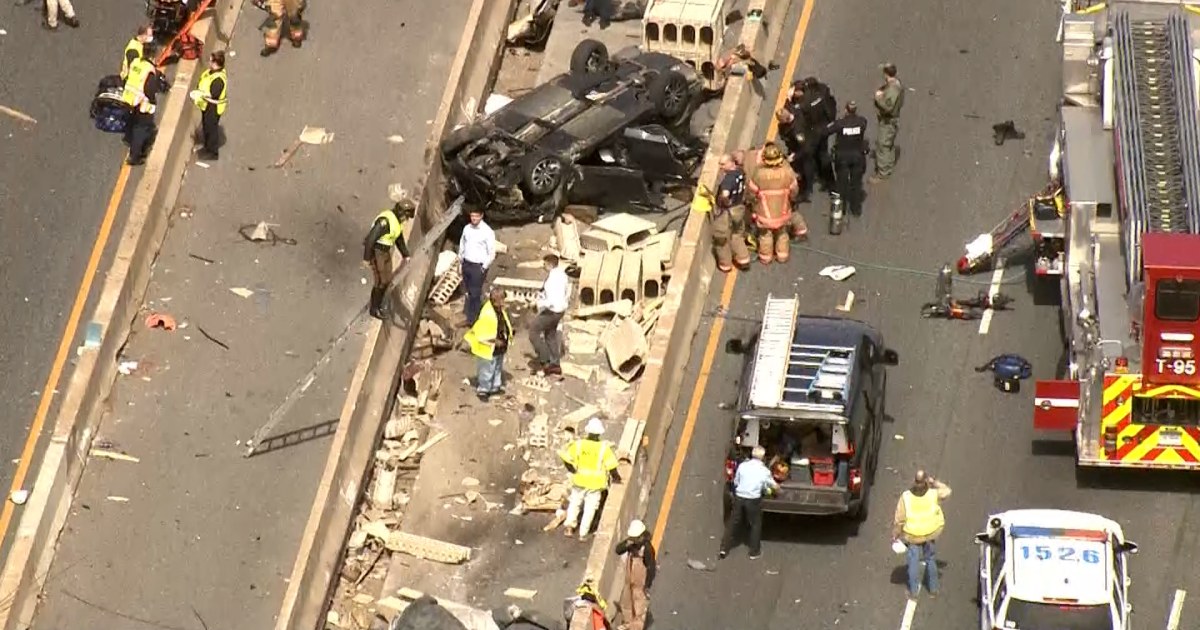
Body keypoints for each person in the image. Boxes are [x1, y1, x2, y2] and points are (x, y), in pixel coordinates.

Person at [892, 470, 951, 599]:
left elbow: (899, 519)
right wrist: (934, 482)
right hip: (930, 534)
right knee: (930, 559)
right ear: (925, 481)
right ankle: (933, 589)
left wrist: (896, 533)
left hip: (912, 536)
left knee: (913, 562)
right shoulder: (933, 494)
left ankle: (913, 592)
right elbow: (947, 491)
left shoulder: (906, 497)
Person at [558, 417, 620, 540]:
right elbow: (612, 466)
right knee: (589, 509)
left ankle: (569, 528)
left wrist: (572, 470)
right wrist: (617, 478)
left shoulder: (579, 445)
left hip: (579, 481)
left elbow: (567, 459)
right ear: (599, 434)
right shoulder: (603, 449)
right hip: (595, 486)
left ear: (588, 432)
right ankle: (583, 534)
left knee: (574, 504)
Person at [745, 142, 804, 265]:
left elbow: (751, 192)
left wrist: (752, 202)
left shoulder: (759, 174)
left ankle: (766, 257)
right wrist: (791, 199)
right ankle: (782, 255)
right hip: (783, 210)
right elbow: (794, 190)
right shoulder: (787, 172)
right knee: (782, 234)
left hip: (764, 213)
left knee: (765, 235)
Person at [720, 445, 778, 559]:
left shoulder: (742, 466)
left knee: (733, 522)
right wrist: (780, 491)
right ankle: (754, 552)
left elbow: (736, 482)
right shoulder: (764, 471)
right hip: (753, 500)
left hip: (740, 497)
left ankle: (723, 549)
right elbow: (773, 485)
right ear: (763, 458)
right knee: (755, 524)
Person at [361, 196, 415, 319]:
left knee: (387, 279)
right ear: (402, 213)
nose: (406, 220)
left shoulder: (397, 222)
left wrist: (405, 255)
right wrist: (366, 258)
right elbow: (370, 239)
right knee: (380, 282)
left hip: (385, 252)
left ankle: (380, 302)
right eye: (406, 217)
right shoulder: (385, 222)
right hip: (377, 251)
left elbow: (399, 239)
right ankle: (374, 309)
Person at [121, 56, 170, 166]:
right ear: (152, 57)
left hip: (130, 99)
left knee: (134, 123)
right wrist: (152, 102)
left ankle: (129, 138)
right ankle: (134, 156)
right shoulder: (149, 71)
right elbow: (149, 91)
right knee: (141, 129)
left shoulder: (136, 62)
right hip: (142, 105)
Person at [464, 289, 511, 401]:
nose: (504, 302)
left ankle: (495, 386)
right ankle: (483, 390)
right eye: (502, 300)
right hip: (488, 347)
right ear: (496, 301)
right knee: (487, 369)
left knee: (497, 367)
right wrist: (495, 341)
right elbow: (483, 334)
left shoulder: (498, 310)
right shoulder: (488, 314)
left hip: (499, 346)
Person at [825, 101, 869, 216]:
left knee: (842, 183)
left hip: (842, 157)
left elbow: (827, 131)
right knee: (856, 184)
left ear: (846, 110)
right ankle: (856, 209)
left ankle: (841, 209)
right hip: (857, 157)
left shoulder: (840, 124)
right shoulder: (862, 122)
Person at [709, 153, 751, 272]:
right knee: (737, 234)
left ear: (731, 162)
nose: (720, 166)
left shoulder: (728, 179)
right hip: (739, 208)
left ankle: (725, 264)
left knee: (721, 238)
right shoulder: (740, 173)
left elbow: (725, 194)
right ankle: (744, 259)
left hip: (728, 211)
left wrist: (724, 202)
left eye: (723, 164)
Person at [530, 254, 569, 376]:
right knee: (550, 335)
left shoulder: (552, 279)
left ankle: (545, 360)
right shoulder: (562, 275)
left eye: (544, 264)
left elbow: (551, 301)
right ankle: (555, 364)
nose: (543, 266)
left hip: (552, 310)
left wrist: (536, 304)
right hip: (560, 310)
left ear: (549, 264)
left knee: (533, 332)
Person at [614, 519, 656, 630]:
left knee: (639, 605)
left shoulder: (647, 548)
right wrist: (627, 544)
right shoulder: (630, 544)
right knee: (626, 601)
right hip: (629, 577)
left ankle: (636, 627)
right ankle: (627, 622)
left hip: (640, 582)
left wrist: (647, 584)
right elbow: (618, 550)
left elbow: (651, 567)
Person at [458, 209, 496, 326]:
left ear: (481, 216)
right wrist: (461, 261)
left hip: (478, 266)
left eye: (476, 216)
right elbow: (462, 244)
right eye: (472, 216)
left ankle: (473, 320)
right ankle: (472, 315)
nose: (474, 219)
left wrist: (483, 267)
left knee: (475, 293)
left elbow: (491, 252)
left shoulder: (487, 232)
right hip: (467, 264)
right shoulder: (467, 229)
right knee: (469, 291)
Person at [800, 77, 838, 190]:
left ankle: (824, 178)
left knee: (819, 153)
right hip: (825, 126)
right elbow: (831, 103)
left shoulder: (806, 100)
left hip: (814, 129)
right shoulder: (824, 90)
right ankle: (829, 180)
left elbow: (803, 115)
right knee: (823, 152)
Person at [871, 63, 905, 183]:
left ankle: (883, 173)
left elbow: (888, 106)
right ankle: (888, 164)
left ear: (886, 73)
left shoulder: (893, 89)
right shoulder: (895, 84)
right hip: (890, 120)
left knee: (883, 145)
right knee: (888, 144)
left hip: (888, 121)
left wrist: (878, 98)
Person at [193, 51, 228, 161]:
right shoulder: (211, 73)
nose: (209, 62)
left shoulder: (218, 80)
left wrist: (200, 95)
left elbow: (213, 96)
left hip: (213, 108)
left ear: (215, 63)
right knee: (206, 126)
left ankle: (212, 152)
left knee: (211, 128)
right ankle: (207, 147)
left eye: (211, 60)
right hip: (206, 106)